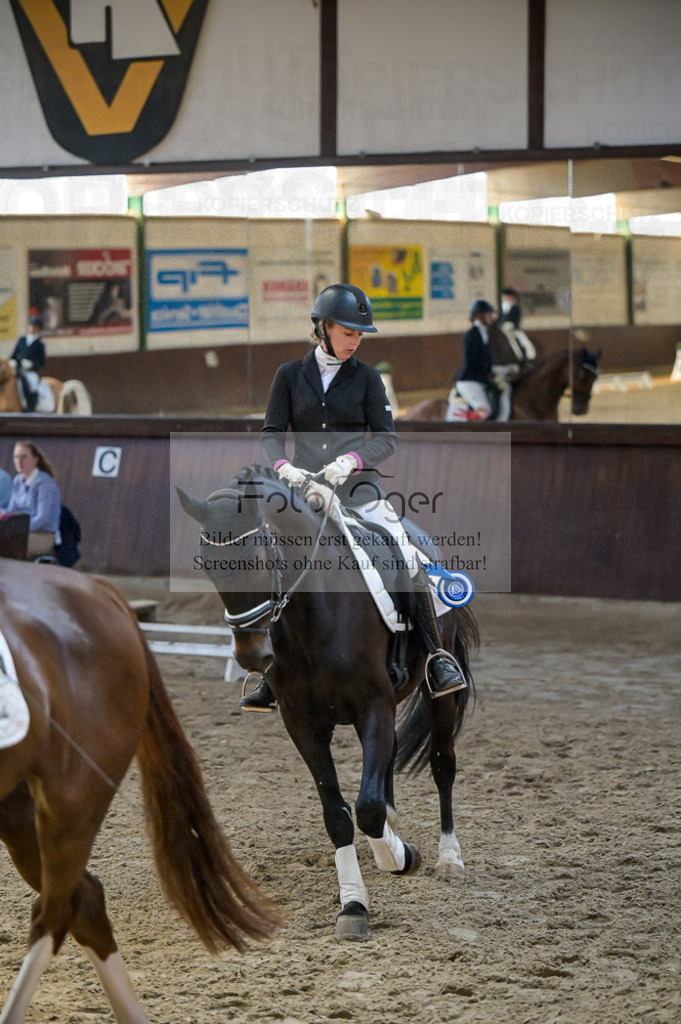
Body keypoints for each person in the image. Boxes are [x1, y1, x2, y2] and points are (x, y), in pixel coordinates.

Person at [242, 282, 466, 712]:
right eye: (349, 332)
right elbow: (271, 434)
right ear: (322, 328)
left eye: (360, 335)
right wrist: (283, 467)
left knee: (405, 552)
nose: (355, 341)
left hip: (359, 492)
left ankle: (435, 657)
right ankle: (271, 673)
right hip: (303, 493)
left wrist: (351, 462)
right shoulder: (288, 376)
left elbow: (386, 439)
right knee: (270, 563)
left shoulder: (367, 378)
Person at [7, 441, 61, 558]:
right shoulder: (17, 480)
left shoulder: (45, 483)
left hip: (42, 536)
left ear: (35, 459)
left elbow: (42, 518)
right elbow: (11, 511)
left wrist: (17, 528)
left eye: (24, 457)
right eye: (16, 457)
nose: (19, 461)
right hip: (20, 531)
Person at [453, 299, 500, 421]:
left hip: (480, 380)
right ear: (479, 316)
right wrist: (491, 369)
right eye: (489, 314)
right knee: (484, 410)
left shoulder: (485, 333)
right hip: (470, 381)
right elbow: (471, 361)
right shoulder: (471, 335)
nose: (491, 317)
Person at [9, 314, 46, 412]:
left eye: (34, 327)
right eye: (31, 326)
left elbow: (41, 362)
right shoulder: (22, 340)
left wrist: (32, 364)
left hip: (30, 372)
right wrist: (12, 361)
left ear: (38, 329)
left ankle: (31, 406)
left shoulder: (39, 344)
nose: (32, 328)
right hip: (18, 370)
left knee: (32, 385)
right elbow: (14, 354)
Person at [497, 287, 537, 362]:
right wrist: (499, 325)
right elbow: (499, 319)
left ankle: (530, 356)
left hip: (514, 328)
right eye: (505, 296)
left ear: (512, 297)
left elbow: (517, 320)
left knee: (524, 340)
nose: (506, 298)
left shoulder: (516, 308)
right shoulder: (500, 307)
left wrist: (512, 325)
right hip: (502, 328)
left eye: (508, 296)